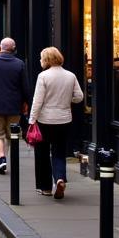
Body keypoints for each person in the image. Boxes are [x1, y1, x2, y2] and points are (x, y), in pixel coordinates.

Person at [27, 46, 84, 198]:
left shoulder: (43, 76)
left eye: (41, 58)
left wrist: (32, 119)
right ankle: (60, 178)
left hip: (45, 119)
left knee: (42, 152)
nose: (40, 60)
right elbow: (79, 96)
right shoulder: (70, 75)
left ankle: (45, 188)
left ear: (47, 59)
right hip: (64, 119)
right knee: (59, 151)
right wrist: (66, 101)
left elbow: (37, 101)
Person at [0, 37, 32, 175]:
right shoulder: (19, 64)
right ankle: (8, 160)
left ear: (0, 47)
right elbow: (25, 87)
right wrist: (27, 103)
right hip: (14, 106)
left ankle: (1, 158)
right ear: (14, 49)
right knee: (12, 135)